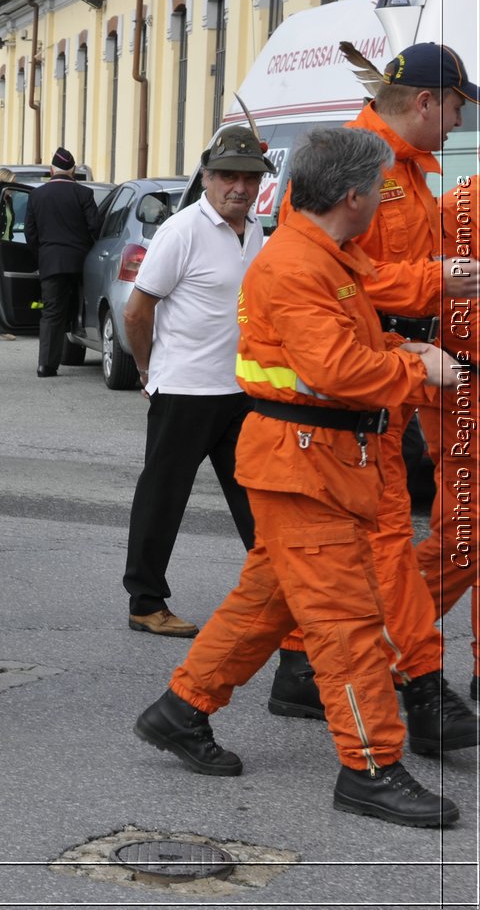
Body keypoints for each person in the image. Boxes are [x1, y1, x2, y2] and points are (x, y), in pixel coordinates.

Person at [133, 127, 464, 828]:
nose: (383, 201)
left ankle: (182, 708)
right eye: (378, 190)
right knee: (346, 625)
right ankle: (370, 765)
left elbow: (349, 346)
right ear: (352, 195)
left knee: (267, 604)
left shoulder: (323, 255)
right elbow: (335, 370)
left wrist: (404, 346)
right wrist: (415, 366)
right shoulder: (297, 264)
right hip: (305, 465)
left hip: (318, 463)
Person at [266, 43, 480, 726]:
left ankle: (296, 664)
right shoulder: (352, 165)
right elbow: (328, 266)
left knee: (320, 548)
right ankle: (416, 682)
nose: (457, 123)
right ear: (424, 102)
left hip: (396, 365)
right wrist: (432, 283)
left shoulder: (410, 172)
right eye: (454, 108)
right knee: (378, 533)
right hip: (355, 376)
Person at [118, 129, 269, 637]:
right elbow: (137, 311)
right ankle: (145, 601)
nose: (240, 188)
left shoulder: (257, 231)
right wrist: (147, 369)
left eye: (250, 178)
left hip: (242, 390)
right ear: (207, 177)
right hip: (184, 389)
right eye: (229, 176)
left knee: (259, 498)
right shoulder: (182, 230)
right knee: (164, 495)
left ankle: (281, 590)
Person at [414, 180, 480, 700]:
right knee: (464, 535)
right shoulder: (455, 206)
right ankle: (387, 642)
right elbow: (428, 293)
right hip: (463, 385)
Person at [24, 147, 99, 377]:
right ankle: (78, 348)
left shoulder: (37, 195)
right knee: (82, 308)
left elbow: (30, 233)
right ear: (73, 171)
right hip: (80, 264)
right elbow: (95, 227)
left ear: (51, 170)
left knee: (52, 313)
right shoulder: (84, 194)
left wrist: (43, 256)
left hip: (51, 263)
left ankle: (46, 365)